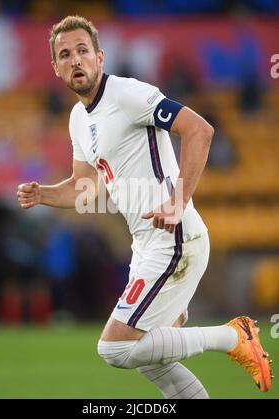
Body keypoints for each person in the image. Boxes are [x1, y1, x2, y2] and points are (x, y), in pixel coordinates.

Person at [17, 16, 272, 398]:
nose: (75, 61)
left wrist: (178, 200)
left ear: (100, 58)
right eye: (65, 55)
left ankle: (232, 335)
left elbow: (199, 129)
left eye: (83, 51)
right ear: (55, 68)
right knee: (152, 355)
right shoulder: (77, 118)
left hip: (174, 236)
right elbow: (83, 190)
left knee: (114, 348)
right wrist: (43, 195)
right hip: (146, 245)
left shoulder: (128, 94)